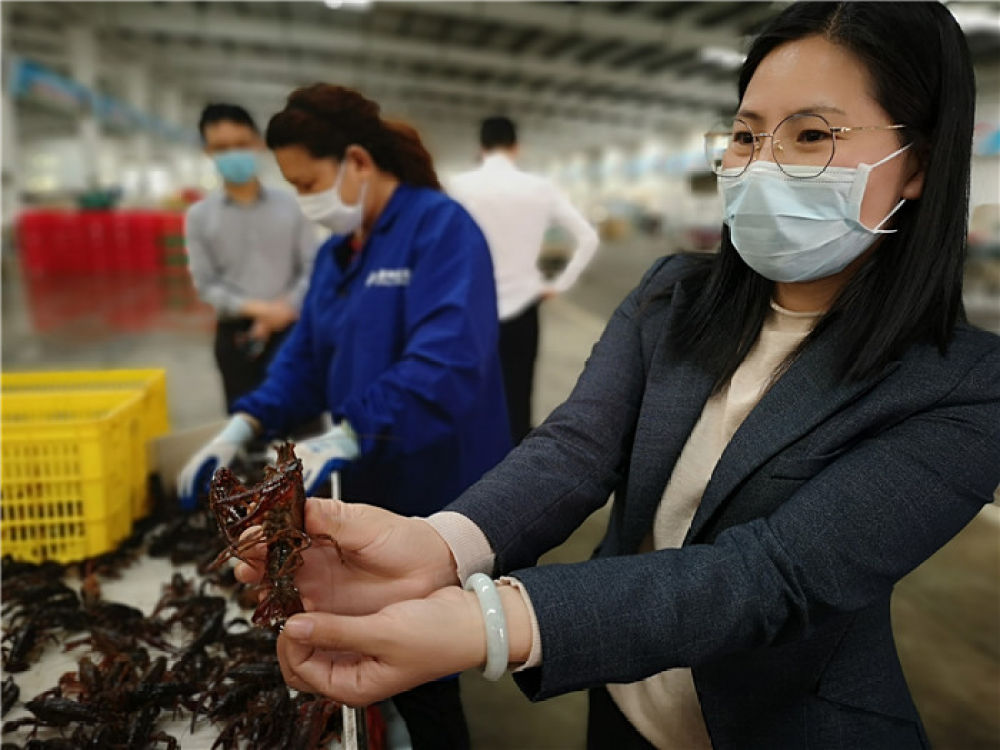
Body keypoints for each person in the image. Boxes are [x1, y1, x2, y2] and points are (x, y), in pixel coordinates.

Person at [235, 4, 1000, 749]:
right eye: (745, 135)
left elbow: (772, 579)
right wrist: (440, 545)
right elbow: (576, 448)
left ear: (918, 163)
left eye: (812, 135)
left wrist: (490, 621)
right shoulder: (673, 298)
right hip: (624, 706)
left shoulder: (964, 388)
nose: (761, 165)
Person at [178, 84, 512, 749]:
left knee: (425, 658)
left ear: (357, 161)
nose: (306, 200)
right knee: (377, 640)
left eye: (308, 184)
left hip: (437, 478)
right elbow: (304, 359)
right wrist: (245, 422)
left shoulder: (441, 229)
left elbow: (446, 363)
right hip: (367, 479)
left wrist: (351, 431)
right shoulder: (337, 255)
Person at [449, 116, 599, 444]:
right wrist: (558, 285)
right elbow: (587, 237)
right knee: (517, 399)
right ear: (516, 147)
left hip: (471, 309)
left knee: (470, 396)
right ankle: (513, 467)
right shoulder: (539, 188)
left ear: (481, 147)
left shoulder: (457, 187)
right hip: (523, 309)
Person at [186, 103, 318, 410]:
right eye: (222, 147)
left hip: (294, 331)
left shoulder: (293, 205)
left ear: (258, 144)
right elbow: (206, 283)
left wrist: (286, 308)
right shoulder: (199, 216)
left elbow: (312, 266)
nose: (233, 153)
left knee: (303, 425)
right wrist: (260, 310)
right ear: (208, 152)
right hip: (237, 338)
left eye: (241, 144)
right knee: (246, 423)